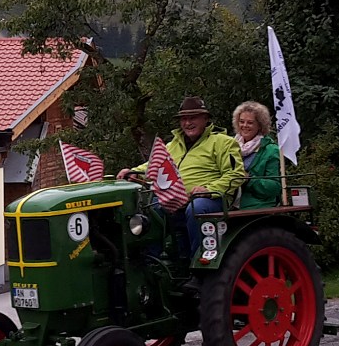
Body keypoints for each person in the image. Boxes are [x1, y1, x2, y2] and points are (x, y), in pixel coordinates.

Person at [117, 96, 245, 258]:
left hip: (211, 199)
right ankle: (151, 262)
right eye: (184, 119)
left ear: (205, 119)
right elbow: (154, 166)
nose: (187, 123)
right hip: (176, 199)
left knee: (196, 208)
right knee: (151, 209)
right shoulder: (172, 145)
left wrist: (208, 190)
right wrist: (133, 171)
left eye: (193, 118)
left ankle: (200, 261)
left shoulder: (223, 143)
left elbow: (236, 174)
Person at [232, 100, 283, 208]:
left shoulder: (270, 150)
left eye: (250, 122)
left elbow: (274, 187)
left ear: (260, 125)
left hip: (256, 205)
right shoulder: (230, 145)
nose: (245, 125)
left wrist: (249, 179)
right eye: (241, 121)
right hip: (228, 202)